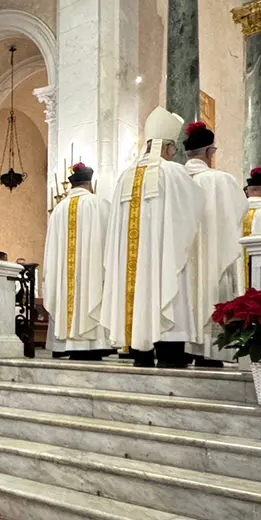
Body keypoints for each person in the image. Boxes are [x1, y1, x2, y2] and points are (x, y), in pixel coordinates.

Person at [101, 107, 205, 368]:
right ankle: (169, 355)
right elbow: (194, 208)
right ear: (168, 147)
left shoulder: (124, 176)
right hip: (162, 256)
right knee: (165, 289)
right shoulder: (173, 172)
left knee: (136, 295)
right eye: (173, 149)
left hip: (130, 262)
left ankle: (141, 353)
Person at [182, 122, 247, 367]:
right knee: (211, 291)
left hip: (181, 258)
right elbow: (239, 212)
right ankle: (211, 352)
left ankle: (183, 346)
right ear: (210, 152)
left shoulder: (174, 179)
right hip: (212, 254)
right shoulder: (221, 180)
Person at [43, 163, 111, 360]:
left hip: (64, 274)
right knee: (90, 294)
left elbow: (51, 248)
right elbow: (110, 239)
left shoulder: (59, 209)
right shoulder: (99, 204)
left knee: (66, 296)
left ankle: (67, 343)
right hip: (92, 270)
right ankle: (92, 344)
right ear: (89, 183)